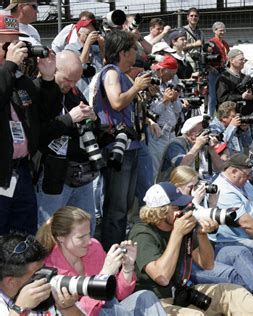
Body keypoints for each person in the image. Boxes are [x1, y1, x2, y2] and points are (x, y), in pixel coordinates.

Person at [128, 182, 253, 315]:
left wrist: (202, 234)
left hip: (180, 295)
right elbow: (162, 277)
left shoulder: (178, 225)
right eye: (177, 207)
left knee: (233, 292)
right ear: (161, 211)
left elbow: (207, 264)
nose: (183, 210)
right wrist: (177, 234)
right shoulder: (142, 233)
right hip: (154, 304)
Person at [169, 166, 253, 298]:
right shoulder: (170, 206)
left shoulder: (195, 203)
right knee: (232, 274)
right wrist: (194, 203)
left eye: (197, 185)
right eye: (191, 187)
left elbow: (211, 234)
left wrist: (212, 205)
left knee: (239, 251)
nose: (196, 190)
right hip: (185, 263)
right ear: (176, 186)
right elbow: (180, 227)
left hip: (205, 252)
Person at [36, 206, 166, 315]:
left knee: (146, 297)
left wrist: (128, 267)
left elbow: (119, 294)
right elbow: (81, 312)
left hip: (108, 308)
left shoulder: (94, 247)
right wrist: (103, 276)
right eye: (81, 237)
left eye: (89, 234)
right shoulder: (49, 267)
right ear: (60, 238)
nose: (88, 241)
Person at [90, 30, 152, 250]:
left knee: (124, 204)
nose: (137, 52)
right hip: (117, 147)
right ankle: (110, 252)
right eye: (134, 48)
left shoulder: (122, 74)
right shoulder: (112, 73)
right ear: (124, 52)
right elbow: (116, 102)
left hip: (131, 145)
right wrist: (136, 87)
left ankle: (116, 248)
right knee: (116, 206)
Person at [0, 15, 53, 235]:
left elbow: (45, 115)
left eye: (16, 42)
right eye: (7, 43)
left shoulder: (18, 77)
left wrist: (49, 81)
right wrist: (10, 66)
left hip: (20, 170)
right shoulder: (9, 73)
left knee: (24, 238)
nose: (14, 48)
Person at [36, 50, 99, 232]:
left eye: (76, 81)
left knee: (85, 228)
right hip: (52, 173)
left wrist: (92, 118)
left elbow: (91, 125)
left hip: (80, 171)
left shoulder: (74, 91)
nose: (71, 84)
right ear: (53, 70)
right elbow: (39, 134)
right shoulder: (39, 89)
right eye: (67, 79)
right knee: (48, 231)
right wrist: (69, 119)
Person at [0, 232, 83, 315]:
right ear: (10, 282)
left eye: (44, 267)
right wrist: (19, 308)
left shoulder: (50, 290)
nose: (46, 275)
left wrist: (68, 309)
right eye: (37, 273)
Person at [158, 115, 224, 182]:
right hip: (173, 187)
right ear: (192, 135)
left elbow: (220, 169)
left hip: (199, 184)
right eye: (202, 132)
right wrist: (197, 146)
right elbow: (182, 167)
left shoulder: (204, 145)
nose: (206, 135)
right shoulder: (176, 144)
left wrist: (212, 150)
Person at [146, 55, 181, 179]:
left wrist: (175, 100)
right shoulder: (151, 84)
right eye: (171, 74)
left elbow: (178, 110)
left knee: (171, 170)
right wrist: (165, 101)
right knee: (155, 170)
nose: (172, 78)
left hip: (171, 132)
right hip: (158, 133)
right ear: (162, 70)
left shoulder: (168, 85)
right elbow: (151, 111)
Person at [64, 17, 104, 97]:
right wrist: (87, 45)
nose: (91, 36)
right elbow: (79, 67)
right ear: (79, 34)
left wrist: (102, 46)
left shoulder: (96, 49)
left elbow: (105, 64)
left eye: (93, 33)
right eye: (88, 34)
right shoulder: (70, 49)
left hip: (98, 94)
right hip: (81, 94)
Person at [216, 48, 253, 115]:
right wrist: (241, 97)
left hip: (246, 116)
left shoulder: (245, 77)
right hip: (230, 117)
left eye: (244, 59)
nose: (243, 61)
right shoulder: (224, 78)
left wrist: (251, 97)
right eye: (241, 59)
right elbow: (222, 98)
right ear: (231, 60)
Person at [207, 21, 229, 116]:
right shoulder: (211, 43)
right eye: (220, 31)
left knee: (223, 95)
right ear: (214, 31)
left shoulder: (225, 43)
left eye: (224, 31)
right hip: (214, 72)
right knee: (213, 97)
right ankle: (211, 117)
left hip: (223, 71)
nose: (223, 33)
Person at [183, 7, 205, 73]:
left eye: (196, 16)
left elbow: (202, 46)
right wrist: (194, 44)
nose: (194, 17)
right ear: (187, 17)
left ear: (198, 18)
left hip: (199, 62)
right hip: (187, 62)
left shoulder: (201, 32)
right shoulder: (182, 31)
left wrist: (207, 48)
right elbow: (179, 47)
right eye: (191, 16)